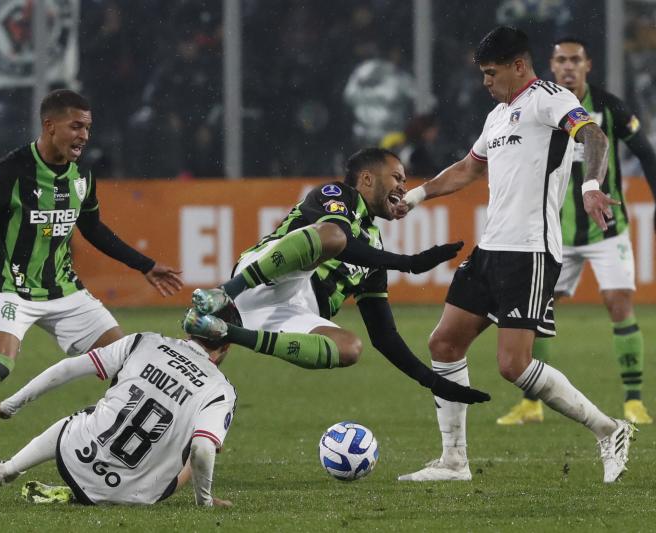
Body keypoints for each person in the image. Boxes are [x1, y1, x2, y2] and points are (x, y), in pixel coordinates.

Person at [0, 89, 183, 481]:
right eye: (76, 126)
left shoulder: (82, 176)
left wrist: (144, 265)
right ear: (50, 125)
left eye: (88, 128)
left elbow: (93, 229)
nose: (84, 136)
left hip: (64, 290)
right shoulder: (11, 171)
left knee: (130, 365)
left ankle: (122, 454)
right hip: (12, 289)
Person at [396, 26, 635, 484]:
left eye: (491, 72)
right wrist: (417, 196)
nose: (485, 81)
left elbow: (595, 137)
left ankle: (609, 429)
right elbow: (468, 168)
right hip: (491, 248)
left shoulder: (550, 99)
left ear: (519, 66)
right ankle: (453, 461)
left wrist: (590, 185)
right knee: (444, 343)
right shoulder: (498, 115)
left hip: (530, 251)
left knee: (513, 365)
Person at [186, 147, 490, 405]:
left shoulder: (374, 250)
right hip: (263, 280)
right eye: (397, 177)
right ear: (367, 179)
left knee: (350, 348)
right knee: (333, 236)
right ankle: (224, 292)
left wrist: (434, 382)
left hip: (293, 312)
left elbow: (384, 336)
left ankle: (227, 331)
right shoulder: (336, 194)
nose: (403, 187)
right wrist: (408, 263)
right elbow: (340, 242)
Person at [497, 36, 656, 426]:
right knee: (537, 310)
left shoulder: (609, 107)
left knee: (618, 303)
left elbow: (646, 154)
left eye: (575, 60)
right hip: (556, 232)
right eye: (562, 60)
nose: (568, 67)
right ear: (552, 67)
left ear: (587, 66)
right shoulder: (540, 106)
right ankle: (531, 404)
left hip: (607, 229)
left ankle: (634, 402)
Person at [0, 302, 239, 507]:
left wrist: (10, 405)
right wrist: (205, 502)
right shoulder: (221, 390)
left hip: (79, 460)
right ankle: (97, 494)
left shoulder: (143, 342)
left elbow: (67, 369)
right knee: (202, 443)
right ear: (227, 346)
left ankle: (7, 469)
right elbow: (202, 449)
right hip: (139, 496)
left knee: (87, 416)